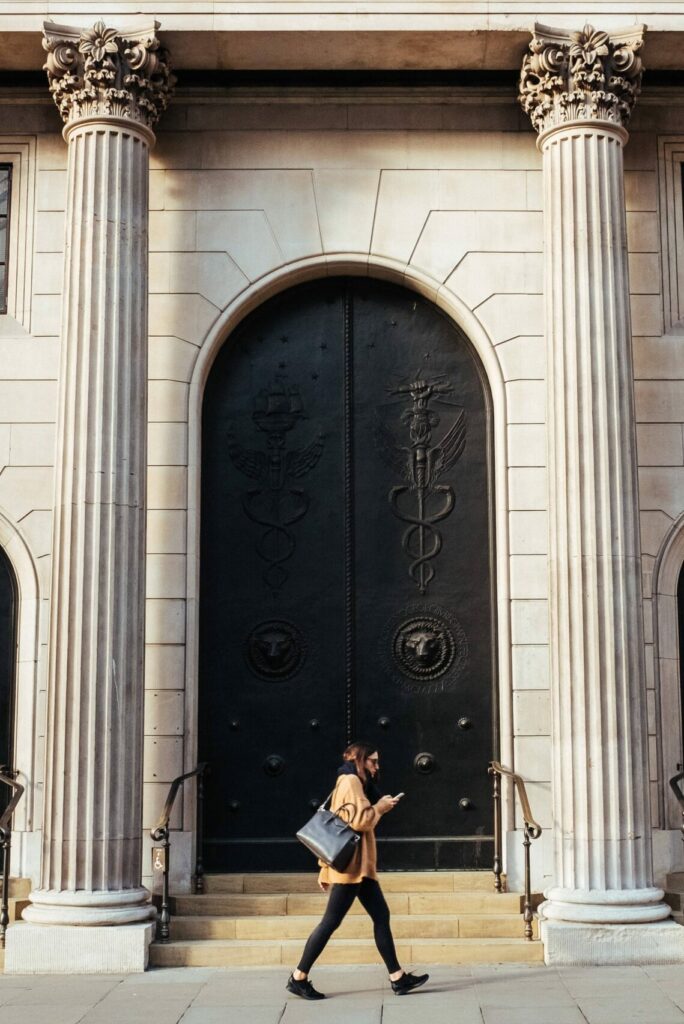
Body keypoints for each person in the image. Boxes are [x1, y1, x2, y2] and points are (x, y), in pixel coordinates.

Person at [286, 740, 429, 1000]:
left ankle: (398, 977)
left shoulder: (351, 782)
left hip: (358, 868)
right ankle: (299, 977)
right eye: (373, 761)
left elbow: (334, 824)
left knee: (381, 916)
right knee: (330, 923)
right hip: (351, 869)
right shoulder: (350, 782)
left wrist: (323, 868)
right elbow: (360, 821)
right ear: (359, 760)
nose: (377, 766)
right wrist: (381, 808)